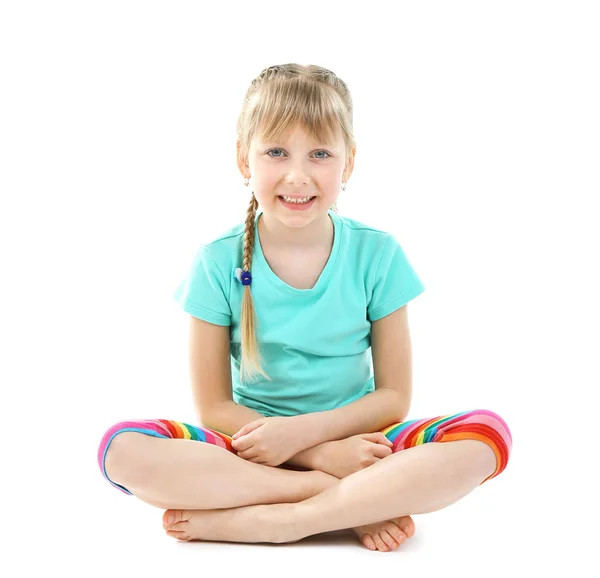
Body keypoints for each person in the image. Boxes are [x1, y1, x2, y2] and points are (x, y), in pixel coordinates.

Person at [97, 63, 512, 552]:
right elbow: (213, 408)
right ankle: (340, 501)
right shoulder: (217, 261)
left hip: (362, 448)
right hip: (251, 449)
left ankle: (285, 521)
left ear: (348, 163)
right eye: (276, 151)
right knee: (120, 448)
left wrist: (321, 439)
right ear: (243, 159)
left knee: (487, 434)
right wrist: (313, 455)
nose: (298, 175)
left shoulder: (377, 255)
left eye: (319, 154)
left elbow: (395, 396)